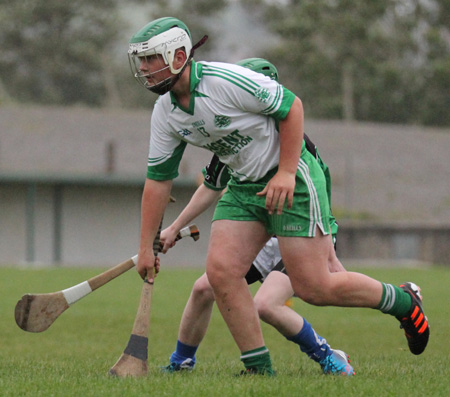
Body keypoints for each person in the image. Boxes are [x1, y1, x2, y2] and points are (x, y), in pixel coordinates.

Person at [128, 17, 429, 376]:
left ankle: (403, 303)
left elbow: (292, 107)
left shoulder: (224, 81)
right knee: (221, 272)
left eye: (150, 59)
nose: (143, 69)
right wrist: (146, 245)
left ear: (178, 56)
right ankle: (258, 369)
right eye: (140, 61)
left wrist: (286, 173)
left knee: (315, 287)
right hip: (243, 187)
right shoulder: (165, 113)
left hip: (294, 181)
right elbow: (158, 181)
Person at [159, 58, 353, 376]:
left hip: (297, 233)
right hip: (261, 234)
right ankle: (181, 362)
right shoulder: (236, 140)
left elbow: (321, 199)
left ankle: (330, 357)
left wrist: (327, 244)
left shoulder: (297, 143)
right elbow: (211, 187)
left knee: (267, 305)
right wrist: (174, 227)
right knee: (204, 288)